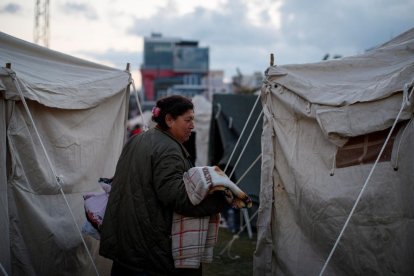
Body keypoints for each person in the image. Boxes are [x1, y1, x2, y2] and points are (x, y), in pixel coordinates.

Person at [99, 95, 227, 276]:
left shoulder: (137, 140)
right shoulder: (169, 149)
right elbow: (177, 198)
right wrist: (220, 198)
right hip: (150, 250)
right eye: (188, 120)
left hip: (126, 243)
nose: (192, 126)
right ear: (169, 119)